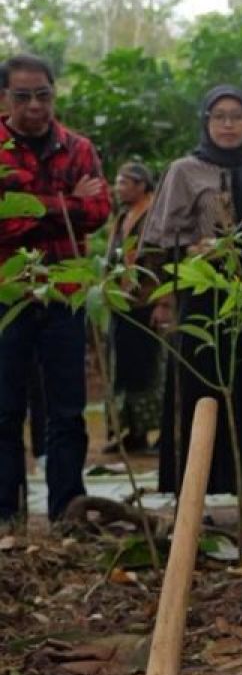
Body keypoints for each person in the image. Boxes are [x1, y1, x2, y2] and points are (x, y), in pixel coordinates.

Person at [141, 86, 242, 522]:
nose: (228, 124)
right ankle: (195, 497)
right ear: (206, 121)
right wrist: (191, 250)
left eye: (237, 117)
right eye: (219, 116)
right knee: (198, 386)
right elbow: (158, 239)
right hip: (202, 295)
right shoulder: (184, 170)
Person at [0, 53, 111, 526]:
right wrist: (65, 205)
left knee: (67, 410)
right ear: (4, 98)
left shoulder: (78, 148)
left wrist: (29, 209)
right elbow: (4, 223)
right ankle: (6, 511)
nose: (34, 106)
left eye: (43, 95)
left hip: (66, 292)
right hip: (8, 295)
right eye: (22, 96)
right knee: (4, 409)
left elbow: (100, 210)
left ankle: (68, 510)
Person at [103, 162, 161, 455]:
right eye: (118, 182)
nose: (119, 188)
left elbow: (160, 260)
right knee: (122, 368)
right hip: (121, 302)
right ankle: (129, 432)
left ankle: (150, 431)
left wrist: (162, 299)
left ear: (141, 185)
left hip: (147, 301)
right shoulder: (122, 217)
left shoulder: (154, 215)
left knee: (147, 369)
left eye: (125, 182)